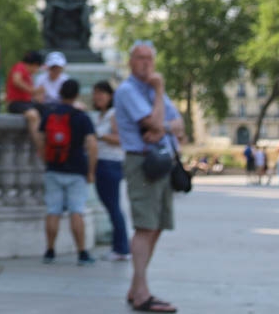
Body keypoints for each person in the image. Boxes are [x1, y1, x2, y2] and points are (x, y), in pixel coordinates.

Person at [114, 40, 184, 313]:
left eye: (150, 59)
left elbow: (179, 125)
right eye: (140, 58)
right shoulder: (128, 90)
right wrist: (159, 91)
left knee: (156, 226)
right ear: (131, 61)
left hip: (162, 161)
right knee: (145, 226)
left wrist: (163, 127)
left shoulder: (153, 93)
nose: (146, 63)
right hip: (143, 163)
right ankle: (142, 293)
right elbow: (152, 122)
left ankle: (136, 288)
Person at [30, 78, 97, 266]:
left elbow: (40, 138)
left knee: (53, 211)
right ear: (76, 95)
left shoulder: (50, 114)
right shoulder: (82, 117)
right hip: (76, 170)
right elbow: (92, 144)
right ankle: (82, 253)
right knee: (77, 212)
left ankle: (50, 251)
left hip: (53, 167)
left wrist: (46, 159)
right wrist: (91, 171)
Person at [92, 80, 130, 260]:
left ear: (110, 96)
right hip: (102, 162)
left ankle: (122, 248)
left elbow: (121, 139)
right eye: (96, 93)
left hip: (110, 163)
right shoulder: (102, 115)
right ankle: (119, 246)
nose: (98, 97)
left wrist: (99, 136)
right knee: (111, 205)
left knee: (113, 206)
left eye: (102, 93)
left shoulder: (113, 114)